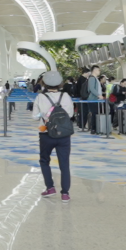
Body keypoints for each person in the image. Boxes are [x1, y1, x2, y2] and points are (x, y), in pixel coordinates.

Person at [32, 70, 73, 202]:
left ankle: (50, 187)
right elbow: (70, 114)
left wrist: (43, 115)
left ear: (44, 83)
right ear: (60, 83)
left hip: (46, 133)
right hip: (64, 134)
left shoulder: (40, 97)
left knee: (44, 160)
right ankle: (65, 193)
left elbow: (35, 116)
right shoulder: (65, 96)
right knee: (64, 163)